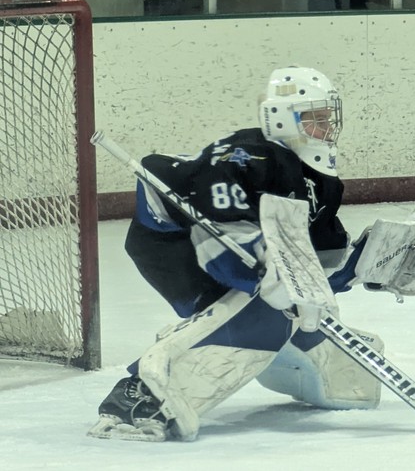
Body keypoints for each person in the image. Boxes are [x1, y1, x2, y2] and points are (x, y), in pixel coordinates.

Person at [87, 66, 384, 442]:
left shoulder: (322, 180)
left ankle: (316, 369)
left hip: (229, 245)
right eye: (315, 118)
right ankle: (140, 396)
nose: (327, 127)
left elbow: (315, 259)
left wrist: (360, 267)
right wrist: (262, 274)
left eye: (328, 117)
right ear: (281, 118)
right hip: (172, 241)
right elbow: (218, 240)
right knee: (263, 311)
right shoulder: (248, 154)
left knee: (290, 310)